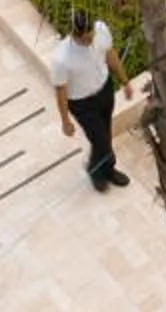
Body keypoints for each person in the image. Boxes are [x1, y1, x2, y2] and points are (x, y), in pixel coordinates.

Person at [52, 11, 130, 191]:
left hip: (105, 90)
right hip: (82, 104)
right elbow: (61, 91)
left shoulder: (100, 30)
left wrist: (125, 81)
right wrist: (65, 121)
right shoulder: (62, 58)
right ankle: (97, 170)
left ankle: (105, 170)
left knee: (105, 134)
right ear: (75, 34)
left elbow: (110, 55)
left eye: (91, 35)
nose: (90, 40)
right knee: (101, 142)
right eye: (86, 38)